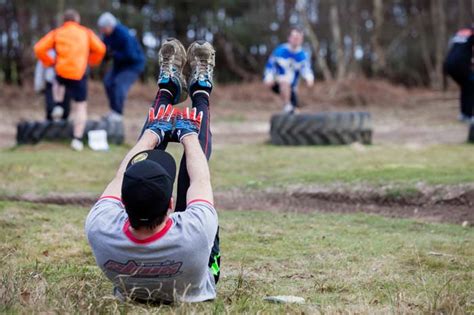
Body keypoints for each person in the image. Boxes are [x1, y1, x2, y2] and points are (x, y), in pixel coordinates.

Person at [85, 38, 220, 303]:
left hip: (137, 283)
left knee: (142, 163)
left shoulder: (100, 229)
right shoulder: (195, 231)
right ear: (170, 206)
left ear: (123, 204)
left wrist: (153, 135)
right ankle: (201, 91)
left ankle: (167, 89)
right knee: (190, 183)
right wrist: (187, 135)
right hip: (196, 274)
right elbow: (200, 178)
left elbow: (121, 177)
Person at [34, 9, 106, 151]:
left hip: (62, 71)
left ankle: (58, 105)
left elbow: (39, 48)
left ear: (64, 21)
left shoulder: (57, 32)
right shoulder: (86, 32)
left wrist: (50, 61)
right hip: (79, 73)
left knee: (57, 81)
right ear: (77, 20)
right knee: (80, 106)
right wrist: (91, 61)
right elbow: (101, 49)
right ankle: (77, 139)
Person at [98, 12, 145, 122]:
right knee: (108, 81)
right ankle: (113, 110)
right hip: (120, 64)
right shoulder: (107, 35)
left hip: (133, 65)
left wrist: (114, 54)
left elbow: (130, 55)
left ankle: (118, 114)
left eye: (103, 28)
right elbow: (106, 51)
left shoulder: (124, 34)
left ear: (110, 26)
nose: (102, 31)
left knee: (119, 84)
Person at [264, 28, 314, 114]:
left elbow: (306, 69)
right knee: (284, 82)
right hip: (278, 82)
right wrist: (268, 78)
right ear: (289, 38)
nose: (296, 40)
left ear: (301, 40)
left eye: (299, 38)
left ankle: (290, 108)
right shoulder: (280, 51)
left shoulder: (303, 55)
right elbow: (270, 65)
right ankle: (287, 105)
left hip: (293, 86)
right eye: (294, 38)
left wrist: (309, 78)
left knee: (294, 110)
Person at [444, 25, 474, 123]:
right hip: (460, 64)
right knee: (470, 86)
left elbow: (456, 47)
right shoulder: (472, 33)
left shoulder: (461, 31)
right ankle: (469, 116)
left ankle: (464, 114)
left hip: (448, 63)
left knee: (466, 86)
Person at [34, 50, 71, 121]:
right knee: (50, 110)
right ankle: (49, 128)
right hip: (50, 83)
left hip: (65, 83)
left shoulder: (68, 50)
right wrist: (39, 86)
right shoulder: (48, 51)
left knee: (65, 112)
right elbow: (40, 69)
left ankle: (64, 129)